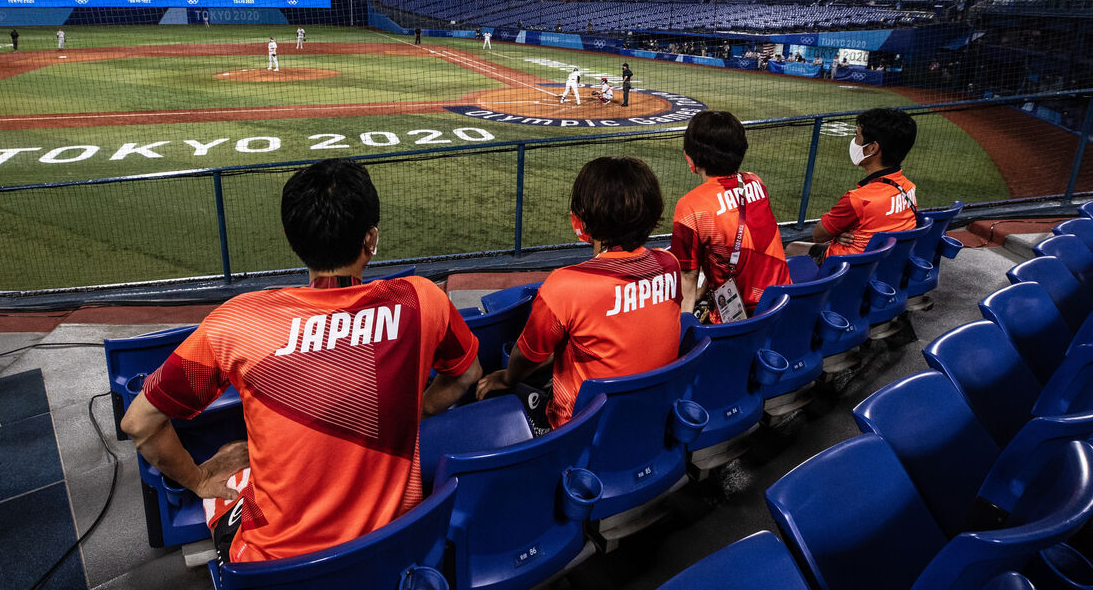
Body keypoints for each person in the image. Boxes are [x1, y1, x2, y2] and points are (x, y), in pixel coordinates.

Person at [120, 159, 481, 564]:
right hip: (397, 554)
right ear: (371, 239)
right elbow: (466, 374)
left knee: (233, 452)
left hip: (274, 568)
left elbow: (139, 424)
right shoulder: (422, 298)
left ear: (292, 237)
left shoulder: (235, 322)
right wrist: (414, 410)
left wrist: (199, 478)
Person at [476, 156, 681, 428]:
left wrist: (505, 378)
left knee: (489, 390)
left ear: (584, 218)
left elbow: (526, 356)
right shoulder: (669, 265)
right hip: (650, 417)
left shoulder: (565, 286)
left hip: (580, 429)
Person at [670, 111, 790, 323]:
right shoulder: (755, 182)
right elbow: (728, 251)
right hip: (782, 303)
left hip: (743, 320)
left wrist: (684, 329)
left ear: (691, 157)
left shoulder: (690, 206)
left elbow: (688, 276)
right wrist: (704, 290)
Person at [810, 108, 918, 260]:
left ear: (872, 148)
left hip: (846, 266)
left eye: (857, 136)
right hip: (886, 263)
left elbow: (819, 236)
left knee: (792, 248)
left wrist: (836, 235)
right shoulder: (909, 188)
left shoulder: (858, 199)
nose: (854, 142)